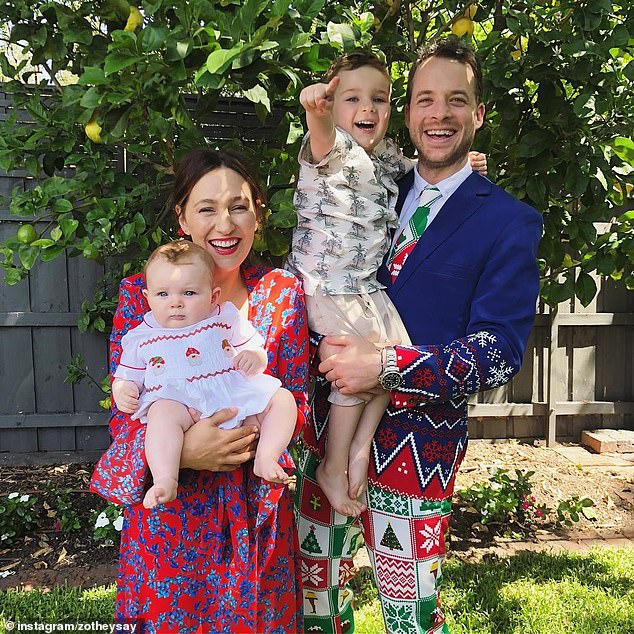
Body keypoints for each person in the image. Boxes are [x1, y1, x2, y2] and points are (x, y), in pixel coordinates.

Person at [295, 37, 543, 634]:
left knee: (409, 616)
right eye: (425, 100)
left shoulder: (508, 221)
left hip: (417, 451)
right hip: (322, 425)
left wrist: (386, 365)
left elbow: (498, 355)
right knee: (314, 600)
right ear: (406, 112)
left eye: (456, 101)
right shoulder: (374, 177)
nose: (439, 114)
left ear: (478, 114)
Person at [90, 148, 309, 633]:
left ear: (258, 215)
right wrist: (186, 452)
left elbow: (296, 400)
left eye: (238, 206)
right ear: (183, 217)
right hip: (173, 518)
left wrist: (246, 442)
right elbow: (125, 413)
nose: (224, 224)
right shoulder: (142, 296)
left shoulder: (280, 294)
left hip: (256, 513)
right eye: (206, 208)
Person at [287, 50, 487, 517]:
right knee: (355, 370)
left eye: (378, 98)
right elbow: (319, 131)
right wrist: (315, 109)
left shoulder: (386, 157)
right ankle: (334, 464)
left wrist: (467, 167)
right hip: (327, 285)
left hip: (362, 286)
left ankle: (359, 448)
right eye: (351, 98)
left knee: (393, 355)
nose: (367, 109)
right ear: (334, 107)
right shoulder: (330, 147)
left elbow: (428, 173)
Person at [110, 240, 298, 508]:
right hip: (181, 404)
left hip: (232, 396)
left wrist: (255, 357)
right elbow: (127, 375)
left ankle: (266, 457)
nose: (175, 303)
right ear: (147, 297)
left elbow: (255, 349)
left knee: (282, 399)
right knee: (161, 414)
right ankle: (165, 478)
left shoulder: (224, 318)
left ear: (213, 296)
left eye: (188, 293)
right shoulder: (140, 336)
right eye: (163, 294)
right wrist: (122, 390)